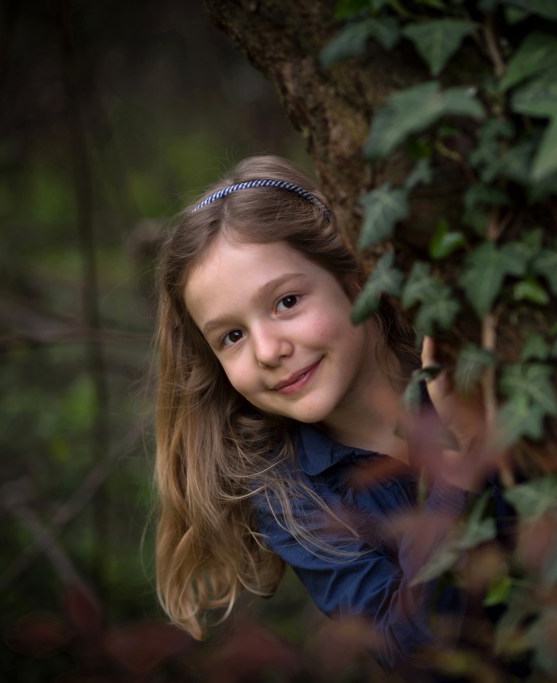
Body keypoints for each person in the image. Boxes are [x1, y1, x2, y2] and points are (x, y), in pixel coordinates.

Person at [152, 155, 484, 673]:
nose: (267, 351)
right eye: (232, 336)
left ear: (355, 276)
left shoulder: (468, 360)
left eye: (286, 301)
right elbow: (415, 653)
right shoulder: (290, 499)